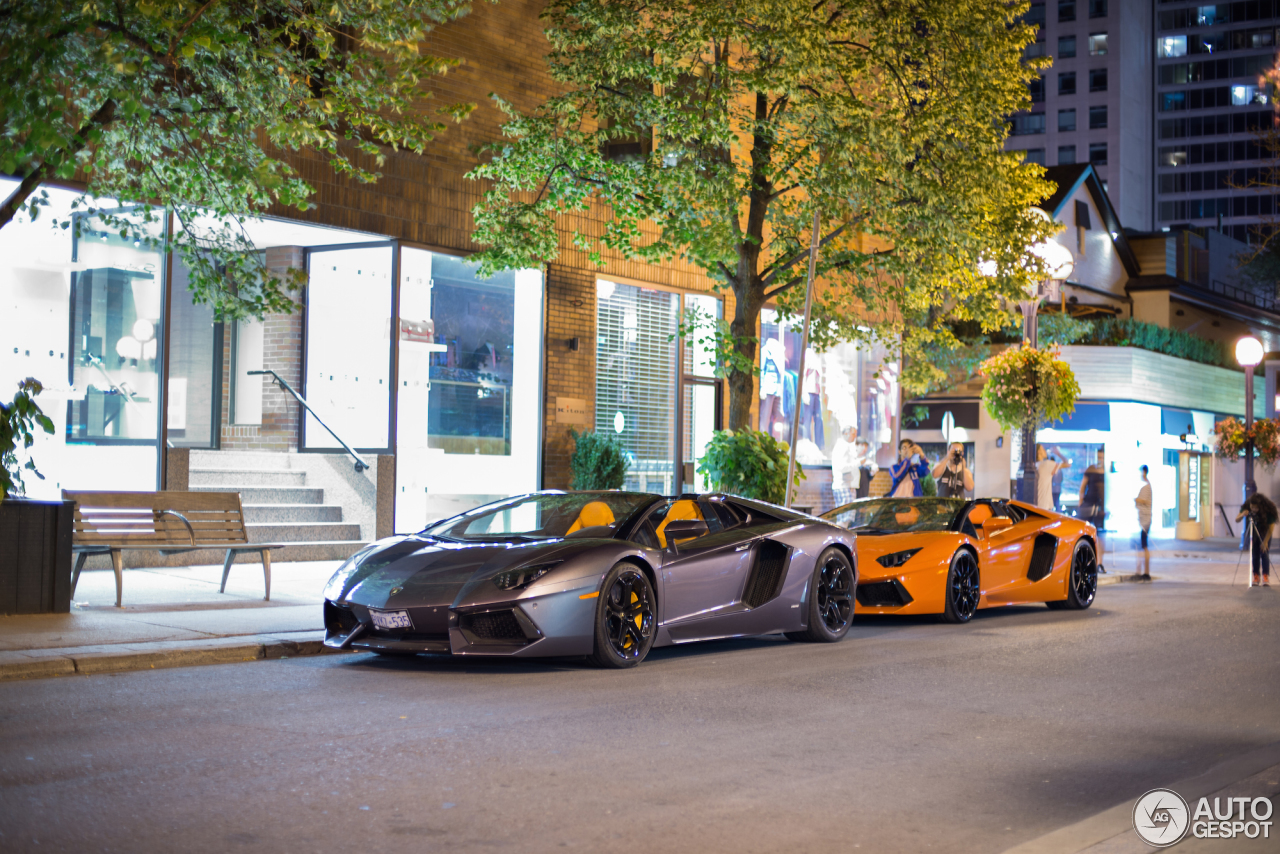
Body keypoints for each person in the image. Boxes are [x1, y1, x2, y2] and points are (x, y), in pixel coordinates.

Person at [1235, 492, 1277, 587]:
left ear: (1260, 507)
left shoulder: (1268, 509)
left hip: (1265, 532)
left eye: (1256, 508)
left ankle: (1265, 575)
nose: (1253, 509)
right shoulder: (1247, 506)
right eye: (1252, 507)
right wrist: (1242, 515)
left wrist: (1265, 541)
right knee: (1255, 554)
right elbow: (1236, 519)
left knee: (1264, 553)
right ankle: (1256, 575)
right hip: (1253, 532)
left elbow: (1271, 528)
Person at [1079, 448, 1107, 572]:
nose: (1100, 459)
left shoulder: (1105, 472)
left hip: (1100, 507)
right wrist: (1080, 503)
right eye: (1099, 457)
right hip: (1089, 505)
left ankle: (1099, 562)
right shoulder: (1091, 469)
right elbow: (1082, 486)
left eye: (1102, 457)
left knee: (1101, 535)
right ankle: (1087, 560)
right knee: (1087, 532)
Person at [1035, 445, 1071, 512]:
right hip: (1045, 505)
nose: (1045, 451)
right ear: (1039, 452)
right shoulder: (1046, 464)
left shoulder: (1036, 464)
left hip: (1035, 504)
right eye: (1043, 449)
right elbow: (1067, 464)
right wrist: (1058, 453)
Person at [830, 425, 859, 507]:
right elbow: (842, 467)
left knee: (845, 517)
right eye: (853, 434)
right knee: (846, 517)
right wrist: (858, 463)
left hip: (846, 485)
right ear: (846, 433)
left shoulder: (844, 445)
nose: (855, 436)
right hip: (844, 486)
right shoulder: (842, 446)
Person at [1135, 465, 1152, 580]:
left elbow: (1145, 501)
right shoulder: (1147, 486)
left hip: (1145, 521)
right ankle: (1141, 570)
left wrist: (1137, 500)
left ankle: (1146, 572)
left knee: (1144, 546)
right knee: (1142, 546)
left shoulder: (1147, 487)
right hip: (1144, 520)